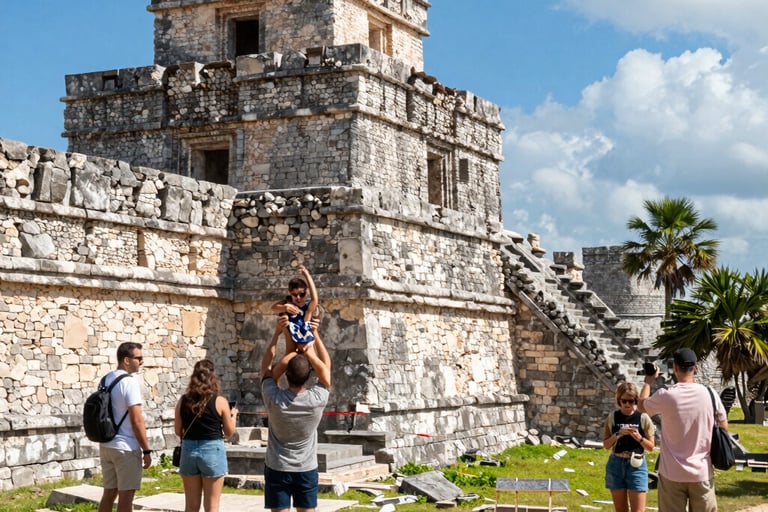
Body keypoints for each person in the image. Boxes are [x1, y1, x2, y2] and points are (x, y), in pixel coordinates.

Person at [638, 348, 728, 512]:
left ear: (675, 368)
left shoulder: (666, 395)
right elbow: (723, 426)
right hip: (701, 471)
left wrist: (648, 381)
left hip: (671, 472)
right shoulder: (710, 394)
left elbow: (641, 405)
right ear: (696, 368)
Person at [261, 315, 331, 512]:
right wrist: (312, 344)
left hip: (277, 466)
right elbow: (326, 371)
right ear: (309, 375)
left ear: (286, 375)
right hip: (306, 467)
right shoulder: (316, 400)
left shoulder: (273, 398)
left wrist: (278, 337)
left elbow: (267, 371)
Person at [174, 359, 238, 512]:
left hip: (189, 450)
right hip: (212, 450)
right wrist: (233, 415)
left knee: (191, 506)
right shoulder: (220, 401)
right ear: (212, 377)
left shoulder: (183, 400)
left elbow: (178, 431)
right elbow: (229, 433)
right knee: (211, 506)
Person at [98, 342, 152, 512]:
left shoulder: (106, 379)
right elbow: (137, 420)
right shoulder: (129, 382)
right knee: (126, 498)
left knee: (108, 494)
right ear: (126, 360)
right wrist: (147, 450)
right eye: (138, 358)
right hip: (126, 447)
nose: (141, 362)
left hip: (107, 444)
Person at [603, 382, 656, 512]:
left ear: (636, 401)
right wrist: (618, 434)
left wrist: (639, 437)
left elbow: (651, 447)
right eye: (624, 401)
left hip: (636, 464)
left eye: (631, 401)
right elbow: (605, 444)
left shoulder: (643, 418)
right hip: (616, 462)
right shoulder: (613, 417)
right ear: (619, 400)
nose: (627, 404)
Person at [270, 266, 319, 348]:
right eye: (295, 295)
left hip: (306, 341)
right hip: (292, 341)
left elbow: (315, 298)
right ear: (290, 293)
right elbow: (274, 308)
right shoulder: (288, 303)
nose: (298, 298)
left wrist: (307, 275)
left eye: (302, 294)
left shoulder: (308, 306)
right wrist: (285, 308)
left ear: (306, 293)